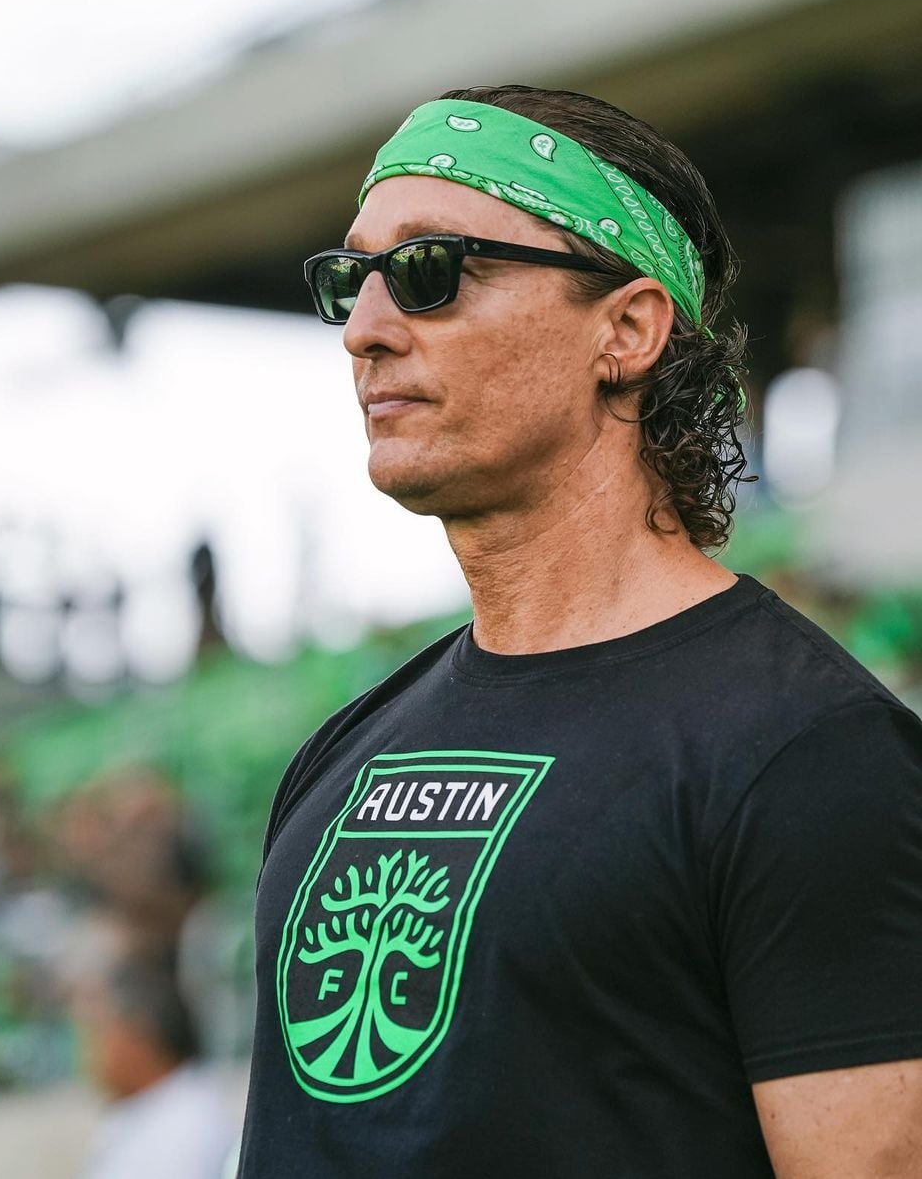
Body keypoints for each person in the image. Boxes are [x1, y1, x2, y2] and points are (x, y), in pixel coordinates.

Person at [236, 86, 922, 1177]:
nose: (365, 330)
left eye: (430, 270)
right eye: (350, 280)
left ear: (628, 329)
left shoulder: (808, 753)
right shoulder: (345, 753)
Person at [74, 945, 238, 1179]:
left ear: (138, 1032)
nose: (91, 1050)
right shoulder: (137, 1113)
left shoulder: (190, 1124)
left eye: (100, 1030)